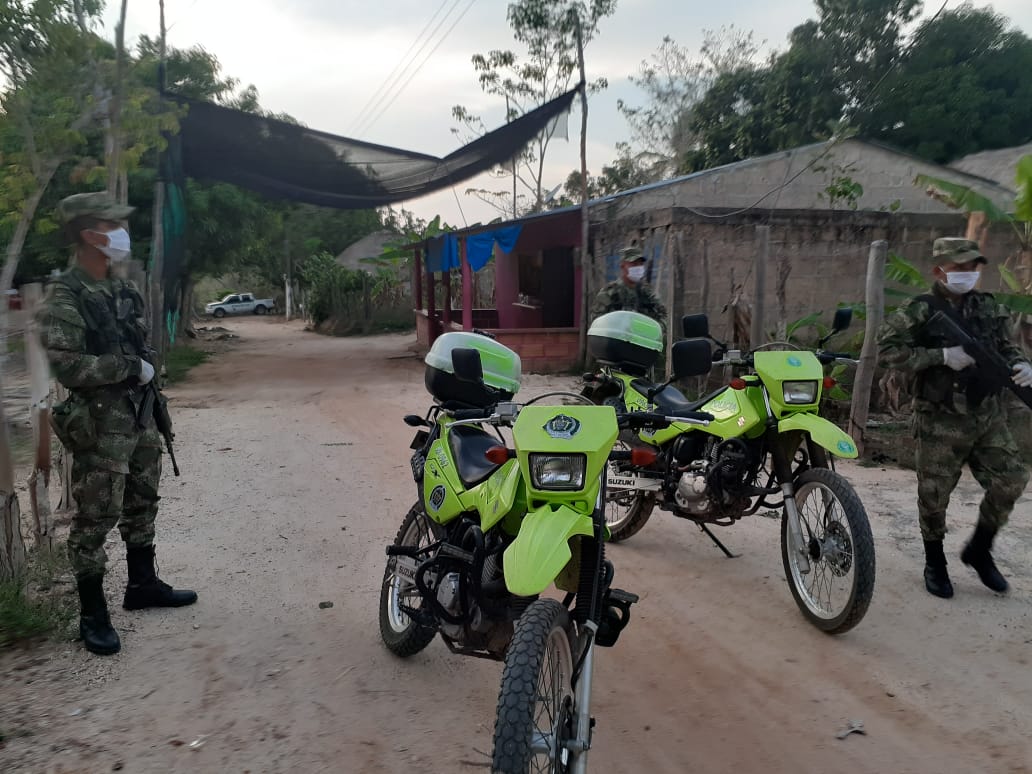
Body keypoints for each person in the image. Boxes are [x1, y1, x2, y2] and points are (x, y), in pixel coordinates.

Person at [40, 192, 196, 656]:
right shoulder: (65, 294)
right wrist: (128, 367)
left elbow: (142, 345)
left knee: (143, 499)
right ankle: (93, 614)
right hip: (100, 425)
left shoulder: (121, 287)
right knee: (95, 517)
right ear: (90, 234)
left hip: (140, 414)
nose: (121, 234)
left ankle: (142, 585)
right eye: (113, 226)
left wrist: (144, 373)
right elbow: (67, 366)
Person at [877, 237, 1032, 599]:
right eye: (958, 267)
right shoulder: (918, 311)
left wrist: (1022, 364)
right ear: (939, 269)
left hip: (986, 415)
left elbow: (1006, 346)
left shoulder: (990, 308)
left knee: (1010, 479)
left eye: (971, 268)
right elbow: (888, 350)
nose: (966, 274)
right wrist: (940, 356)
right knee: (934, 498)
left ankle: (979, 550)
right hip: (940, 418)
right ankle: (936, 563)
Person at [590, 245, 667, 332]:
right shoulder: (610, 293)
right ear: (623, 266)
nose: (638, 268)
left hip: (644, 340)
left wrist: (653, 329)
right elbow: (597, 322)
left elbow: (662, 316)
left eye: (640, 264)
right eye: (634, 264)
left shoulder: (647, 292)